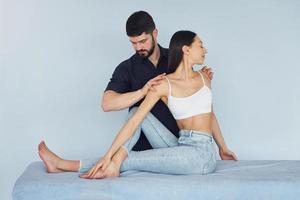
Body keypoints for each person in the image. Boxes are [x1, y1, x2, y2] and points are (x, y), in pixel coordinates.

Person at [38, 30, 237, 179]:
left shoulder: (204, 78)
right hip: (181, 144)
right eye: (200, 45)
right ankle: (110, 163)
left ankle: (63, 164)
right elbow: (135, 121)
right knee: (135, 112)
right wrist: (108, 154)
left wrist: (223, 147)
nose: (205, 49)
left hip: (200, 156)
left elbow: (210, 115)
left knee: (127, 159)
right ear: (186, 49)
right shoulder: (163, 84)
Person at [102, 11, 213, 151]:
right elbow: (107, 103)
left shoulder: (175, 58)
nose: (138, 48)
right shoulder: (126, 68)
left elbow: (195, 86)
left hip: (177, 142)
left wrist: (202, 77)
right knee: (135, 111)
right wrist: (142, 92)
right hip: (143, 147)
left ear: (155, 33)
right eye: (133, 43)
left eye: (143, 41)